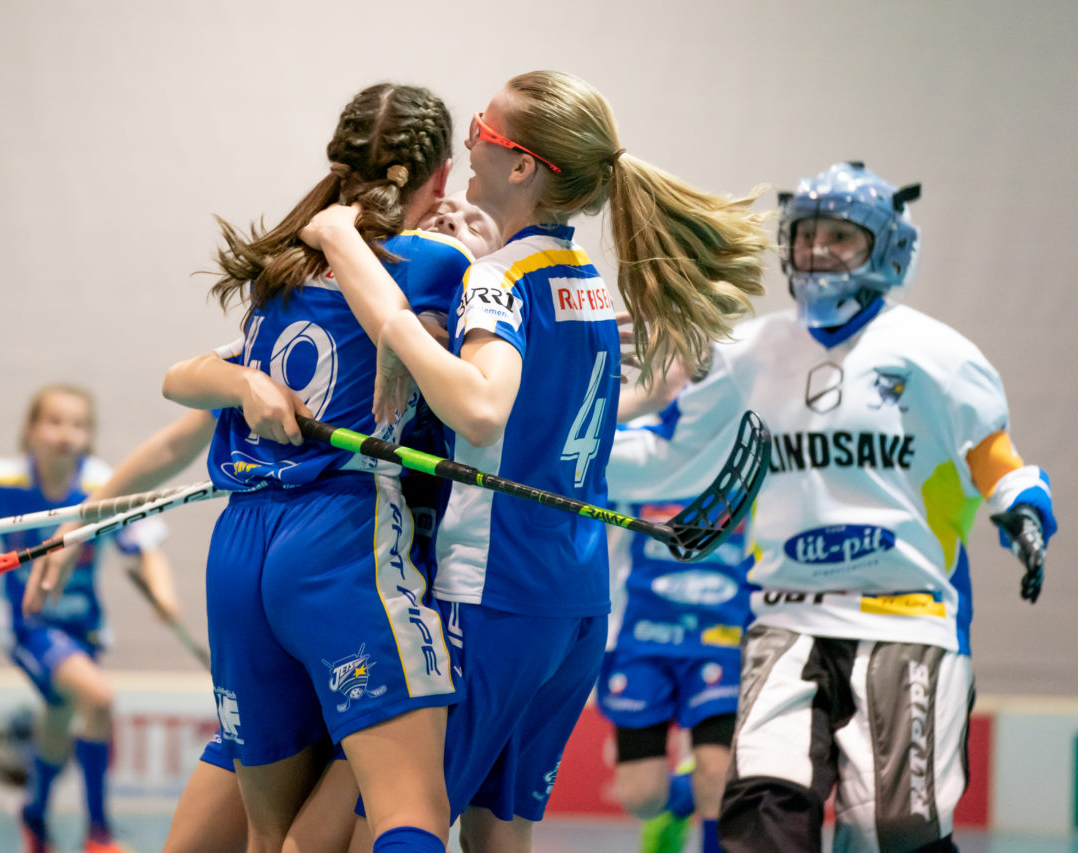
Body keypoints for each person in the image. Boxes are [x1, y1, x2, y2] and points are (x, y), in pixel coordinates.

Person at [301, 69, 768, 853]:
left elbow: (482, 407)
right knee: (500, 836)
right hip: (576, 608)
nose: (470, 139)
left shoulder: (498, 279)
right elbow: (549, 422)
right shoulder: (583, 281)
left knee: (381, 829)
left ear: (522, 167)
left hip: (490, 596)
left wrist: (400, 331)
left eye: (485, 127)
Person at [611, 162, 1056, 852]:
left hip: (908, 615)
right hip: (785, 614)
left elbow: (992, 453)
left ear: (887, 249)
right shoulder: (747, 355)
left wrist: (1023, 505)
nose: (816, 251)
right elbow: (670, 454)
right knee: (761, 809)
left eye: (839, 237)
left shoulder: (940, 356)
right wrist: (563, 453)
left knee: (894, 827)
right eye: (805, 234)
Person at [161, 82, 474, 853]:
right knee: (410, 812)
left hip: (239, 549)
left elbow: (179, 375)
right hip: (344, 532)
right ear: (438, 175)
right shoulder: (437, 261)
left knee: (272, 839)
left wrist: (242, 382)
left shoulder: (288, 259)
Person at [0, 384, 176, 853]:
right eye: (54, 421)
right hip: (28, 624)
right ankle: (99, 834)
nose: (65, 434)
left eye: (78, 424)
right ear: (31, 429)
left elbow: (145, 542)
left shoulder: (101, 485)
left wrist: (162, 592)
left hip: (84, 627)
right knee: (98, 698)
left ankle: (34, 816)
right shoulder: (0, 480)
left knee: (58, 720)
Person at [598, 361, 752, 853]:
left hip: (724, 632)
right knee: (641, 795)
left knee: (717, 776)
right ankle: (678, 800)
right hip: (640, 633)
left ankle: (703, 797)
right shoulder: (631, 438)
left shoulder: (746, 443)